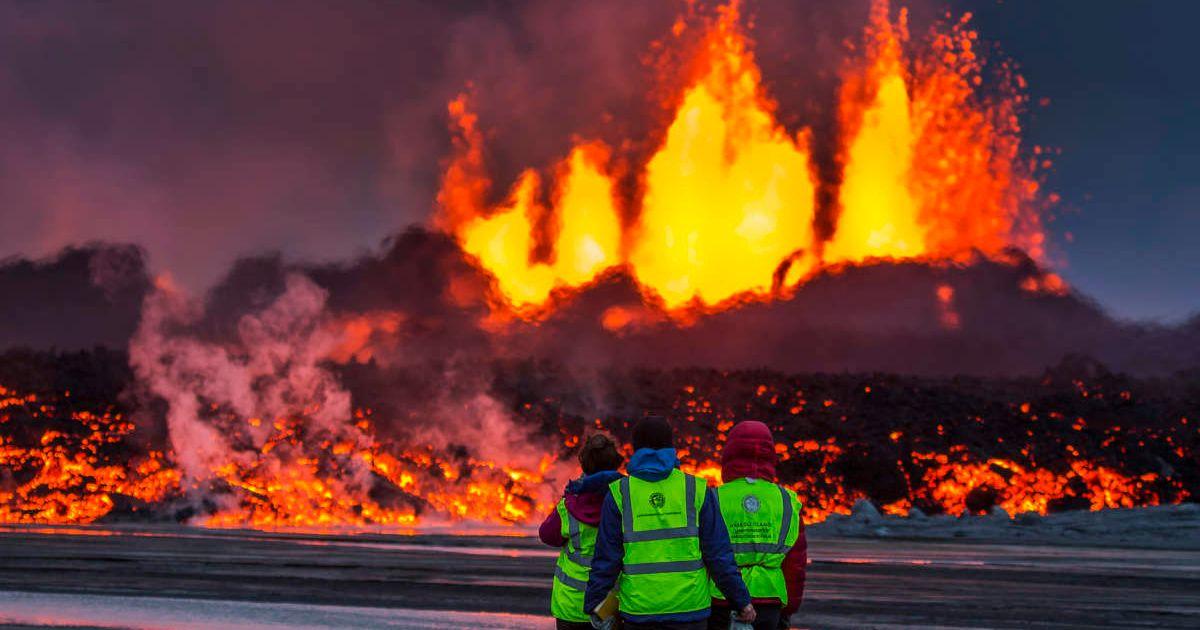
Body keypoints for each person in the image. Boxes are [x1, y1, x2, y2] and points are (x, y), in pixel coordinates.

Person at [585, 416, 755, 630]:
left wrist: (594, 603)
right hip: (690, 611)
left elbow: (606, 560)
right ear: (670, 447)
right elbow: (718, 555)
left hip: (640, 612)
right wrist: (741, 601)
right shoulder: (696, 489)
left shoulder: (620, 493)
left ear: (635, 448)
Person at [707, 421, 807, 630]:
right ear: (770, 455)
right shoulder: (787, 500)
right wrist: (789, 608)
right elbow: (795, 564)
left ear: (730, 454)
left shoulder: (712, 497)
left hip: (720, 598)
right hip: (770, 600)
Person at [540, 433, 626, 630]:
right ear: (615, 464)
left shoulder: (569, 505)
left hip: (572, 606)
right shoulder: (626, 504)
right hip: (610, 605)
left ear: (584, 465)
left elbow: (547, 535)